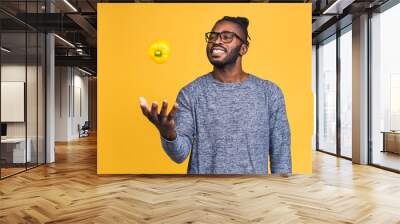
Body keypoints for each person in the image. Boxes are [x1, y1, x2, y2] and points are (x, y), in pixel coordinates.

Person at [139, 16, 291, 175]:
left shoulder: (269, 93)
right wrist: (168, 134)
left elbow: (281, 154)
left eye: (226, 37)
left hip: (253, 193)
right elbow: (179, 155)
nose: (217, 41)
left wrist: (279, 191)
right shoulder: (190, 93)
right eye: (212, 36)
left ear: (243, 48)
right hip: (204, 195)